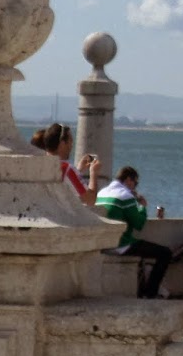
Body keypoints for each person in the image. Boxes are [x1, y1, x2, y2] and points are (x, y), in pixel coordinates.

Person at [95, 166, 172, 298]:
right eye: (135, 183)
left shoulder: (101, 193)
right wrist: (142, 206)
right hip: (121, 245)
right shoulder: (125, 195)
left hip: (102, 244)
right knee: (165, 253)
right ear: (128, 180)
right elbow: (139, 224)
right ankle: (150, 294)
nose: (135, 187)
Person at [35, 122, 98, 208]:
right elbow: (90, 200)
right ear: (62, 144)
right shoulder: (67, 169)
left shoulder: (38, 165)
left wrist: (78, 170)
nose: (71, 145)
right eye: (70, 141)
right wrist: (93, 173)